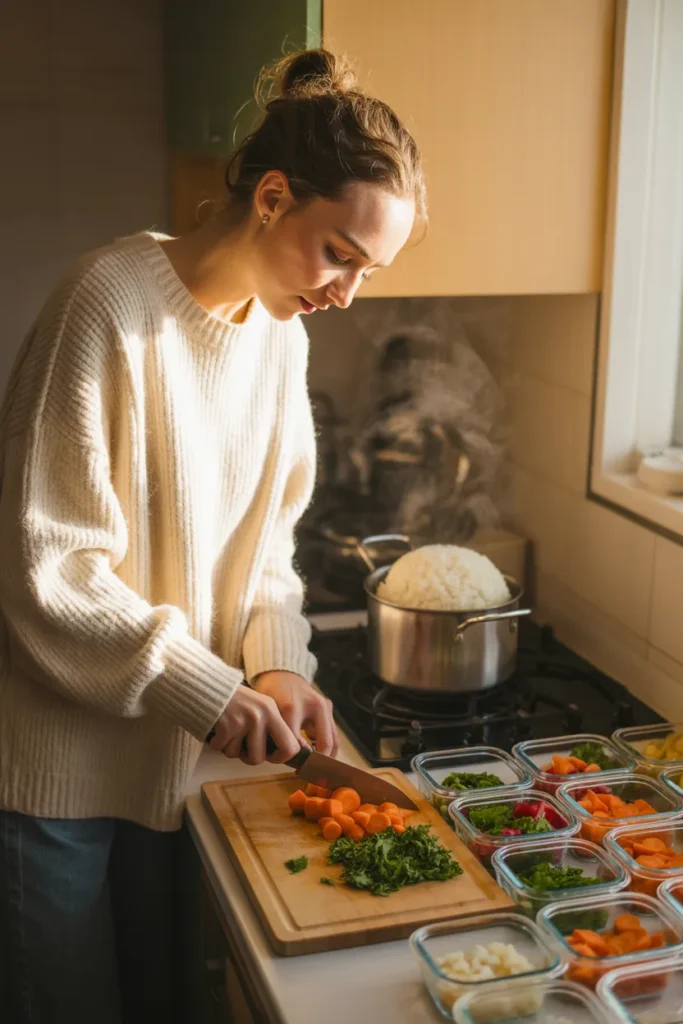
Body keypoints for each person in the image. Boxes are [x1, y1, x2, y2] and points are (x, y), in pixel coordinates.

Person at [0, 47, 425, 1023]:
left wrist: (276, 665)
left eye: (368, 269)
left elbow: (267, 546)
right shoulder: (107, 307)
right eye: (338, 253)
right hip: (58, 777)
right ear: (272, 196)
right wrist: (206, 685)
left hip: (183, 768)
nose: (345, 292)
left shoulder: (280, 338)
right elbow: (46, 571)